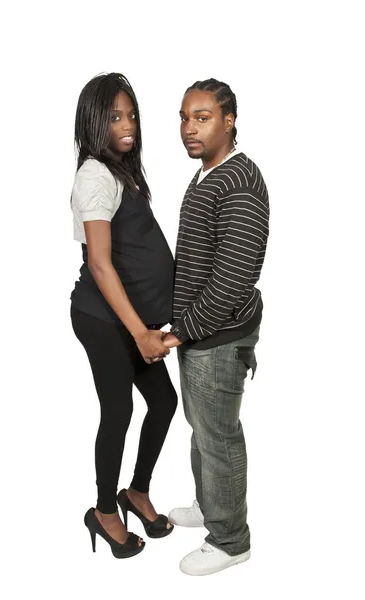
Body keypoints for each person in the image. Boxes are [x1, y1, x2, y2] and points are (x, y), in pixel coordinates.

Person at [163, 78, 269, 575]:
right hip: (200, 334)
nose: (189, 128)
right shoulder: (207, 174)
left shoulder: (239, 181)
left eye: (202, 117)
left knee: (220, 436)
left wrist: (183, 331)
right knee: (202, 429)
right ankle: (210, 505)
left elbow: (233, 276)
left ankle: (230, 539)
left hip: (219, 338)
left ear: (229, 121)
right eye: (185, 117)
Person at [70, 72, 176, 559]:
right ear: (94, 121)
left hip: (133, 320)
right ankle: (103, 511)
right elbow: (100, 261)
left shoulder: (123, 171)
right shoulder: (94, 173)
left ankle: (135, 492)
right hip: (104, 319)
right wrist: (140, 332)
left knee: (164, 403)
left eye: (131, 114)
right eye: (114, 116)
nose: (127, 124)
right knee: (119, 410)